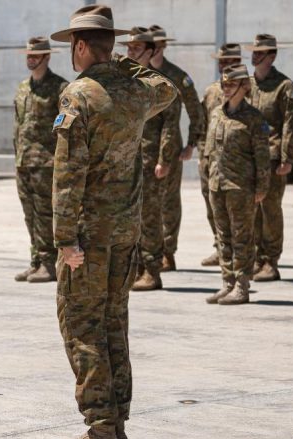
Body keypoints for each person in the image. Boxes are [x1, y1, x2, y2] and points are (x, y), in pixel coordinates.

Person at [50, 5, 177, 439]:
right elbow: (167, 88)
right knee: (113, 324)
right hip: (125, 231)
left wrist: (64, 238)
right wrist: (122, 62)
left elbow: (68, 174)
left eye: (73, 45)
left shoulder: (79, 95)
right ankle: (116, 425)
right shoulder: (134, 92)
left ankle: (101, 429)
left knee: (82, 326)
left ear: (81, 46)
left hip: (87, 235)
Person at [117, 27, 181, 291]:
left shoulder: (159, 83)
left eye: (135, 48)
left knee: (150, 217)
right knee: (131, 218)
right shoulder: (125, 81)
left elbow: (170, 123)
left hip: (151, 159)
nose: (130, 52)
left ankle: (152, 270)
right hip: (128, 160)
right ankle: (137, 268)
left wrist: (165, 159)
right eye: (129, 48)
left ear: (151, 51)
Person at [204, 64, 270, 305]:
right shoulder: (216, 114)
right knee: (223, 236)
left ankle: (242, 285)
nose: (226, 88)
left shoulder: (254, 119)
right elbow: (210, 151)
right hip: (217, 184)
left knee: (242, 237)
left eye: (232, 84)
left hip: (241, 187)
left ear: (244, 87)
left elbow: (262, 157)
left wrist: (262, 187)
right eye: (224, 84)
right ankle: (227, 282)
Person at [148, 25, 207, 272]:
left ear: (162, 47)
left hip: (169, 149)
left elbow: (196, 111)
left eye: (156, 45)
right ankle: (147, 253)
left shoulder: (177, 76)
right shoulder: (138, 75)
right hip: (141, 149)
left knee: (168, 203)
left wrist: (192, 144)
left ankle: (167, 253)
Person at [13, 37, 68, 283]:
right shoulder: (23, 87)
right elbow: (18, 124)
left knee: (45, 214)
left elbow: (68, 127)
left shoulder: (60, 88)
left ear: (47, 57)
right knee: (30, 214)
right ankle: (36, 261)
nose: (30, 59)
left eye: (35, 56)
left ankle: (49, 263)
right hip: (23, 161)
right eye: (28, 55)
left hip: (46, 163)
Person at [245, 34, 293, 281]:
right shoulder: (247, 84)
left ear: (272, 56)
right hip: (248, 158)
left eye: (260, 53)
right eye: (254, 52)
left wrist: (287, 159)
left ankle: (271, 260)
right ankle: (257, 257)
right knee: (252, 210)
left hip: (272, 158)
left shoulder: (285, 87)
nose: (255, 55)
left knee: (270, 210)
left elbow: (291, 125)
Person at [198, 43, 245, 267]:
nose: (225, 65)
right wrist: (202, 154)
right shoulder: (210, 92)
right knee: (213, 209)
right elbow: (202, 124)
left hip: (237, 163)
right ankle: (221, 248)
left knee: (242, 216)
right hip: (211, 161)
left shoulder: (247, 90)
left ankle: (248, 257)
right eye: (222, 61)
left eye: (230, 61)